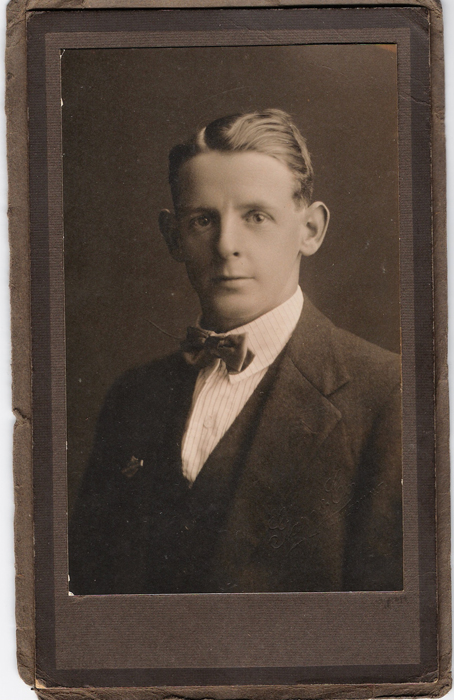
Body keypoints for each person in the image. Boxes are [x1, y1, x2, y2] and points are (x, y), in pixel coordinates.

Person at [69, 109, 402, 595]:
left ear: (310, 229)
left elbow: (387, 614)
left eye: (256, 217)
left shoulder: (387, 395)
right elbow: (88, 592)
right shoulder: (133, 395)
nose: (226, 245)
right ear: (173, 236)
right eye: (203, 220)